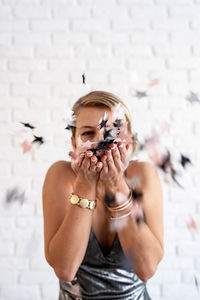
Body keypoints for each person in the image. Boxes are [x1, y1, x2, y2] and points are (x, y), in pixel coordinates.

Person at [42, 90, 164, 300]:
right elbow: (65, 269)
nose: (101, 142)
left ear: (128, 143)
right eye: (88, 134)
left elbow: (146, 269)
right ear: (74, 143)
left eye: (112, 133)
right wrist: (85, 185)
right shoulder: (60, 175)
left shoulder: (143, 174)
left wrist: (117, 187)